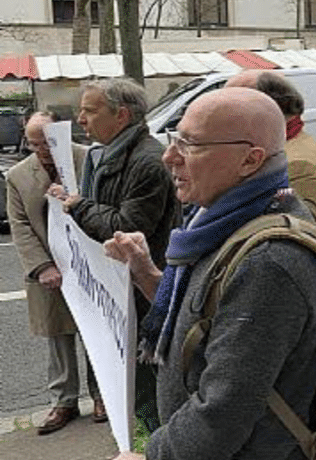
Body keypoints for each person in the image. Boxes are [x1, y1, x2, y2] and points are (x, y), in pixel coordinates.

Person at [105, 87, 316, 460]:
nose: (169, 156)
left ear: (250, 160)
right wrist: (147, 274)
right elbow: (209, 319)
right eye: (174, 138)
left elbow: (225, 410)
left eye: (190, 145)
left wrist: (154, 457)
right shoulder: (226, 222)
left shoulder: (269, 262)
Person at [48, 77, 181, 430]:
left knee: (148, 391)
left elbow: (125, 226)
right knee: (136, 389)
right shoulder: (105, 156)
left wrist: (79, 206)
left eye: (89, 111)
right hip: (120, 290)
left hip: (140, 295)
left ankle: (161, 443)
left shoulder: (147, 162)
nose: (80, 119)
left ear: (121, 115)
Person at [8, 112, 101, 433]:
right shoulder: (19, 176)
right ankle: (64, 401)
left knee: (95, 332)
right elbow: (19, 226)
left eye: (46, 143)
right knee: (58, 336)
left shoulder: (88, 158)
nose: (40, 150)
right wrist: (41, 266)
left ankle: (102, 394)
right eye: (33, 144)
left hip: (89, 262)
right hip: (49, 266)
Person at [225, 70, 316, 231]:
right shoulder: (292, 147)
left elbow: (301, 246)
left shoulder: (297, 166)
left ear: (265, 111)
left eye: (232, 109)